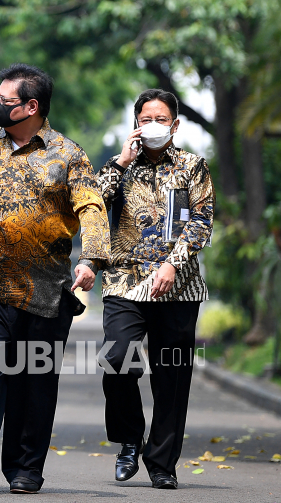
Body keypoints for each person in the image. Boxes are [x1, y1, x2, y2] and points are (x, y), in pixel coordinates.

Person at [0, 63, 111, 494]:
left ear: (31, 106)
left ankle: (25, 469)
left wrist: (91, 259)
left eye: (4, 101)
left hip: (45, 293)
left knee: (34, 383)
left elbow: (91, 207)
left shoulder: (68, 154)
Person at [97, 88, 214, 489]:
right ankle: (129, 438)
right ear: (135, 124)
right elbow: (93, 206)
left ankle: (162, 462)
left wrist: (171, 264)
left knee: (172, 377)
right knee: (116, 360)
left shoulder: (192, 166)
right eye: (145, 119)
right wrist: (119, 162)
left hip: (178, 286)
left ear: (175, 125)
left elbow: (201, 221)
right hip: (125, 281)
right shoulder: (120, 165)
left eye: (160, 119)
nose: (153, 126)